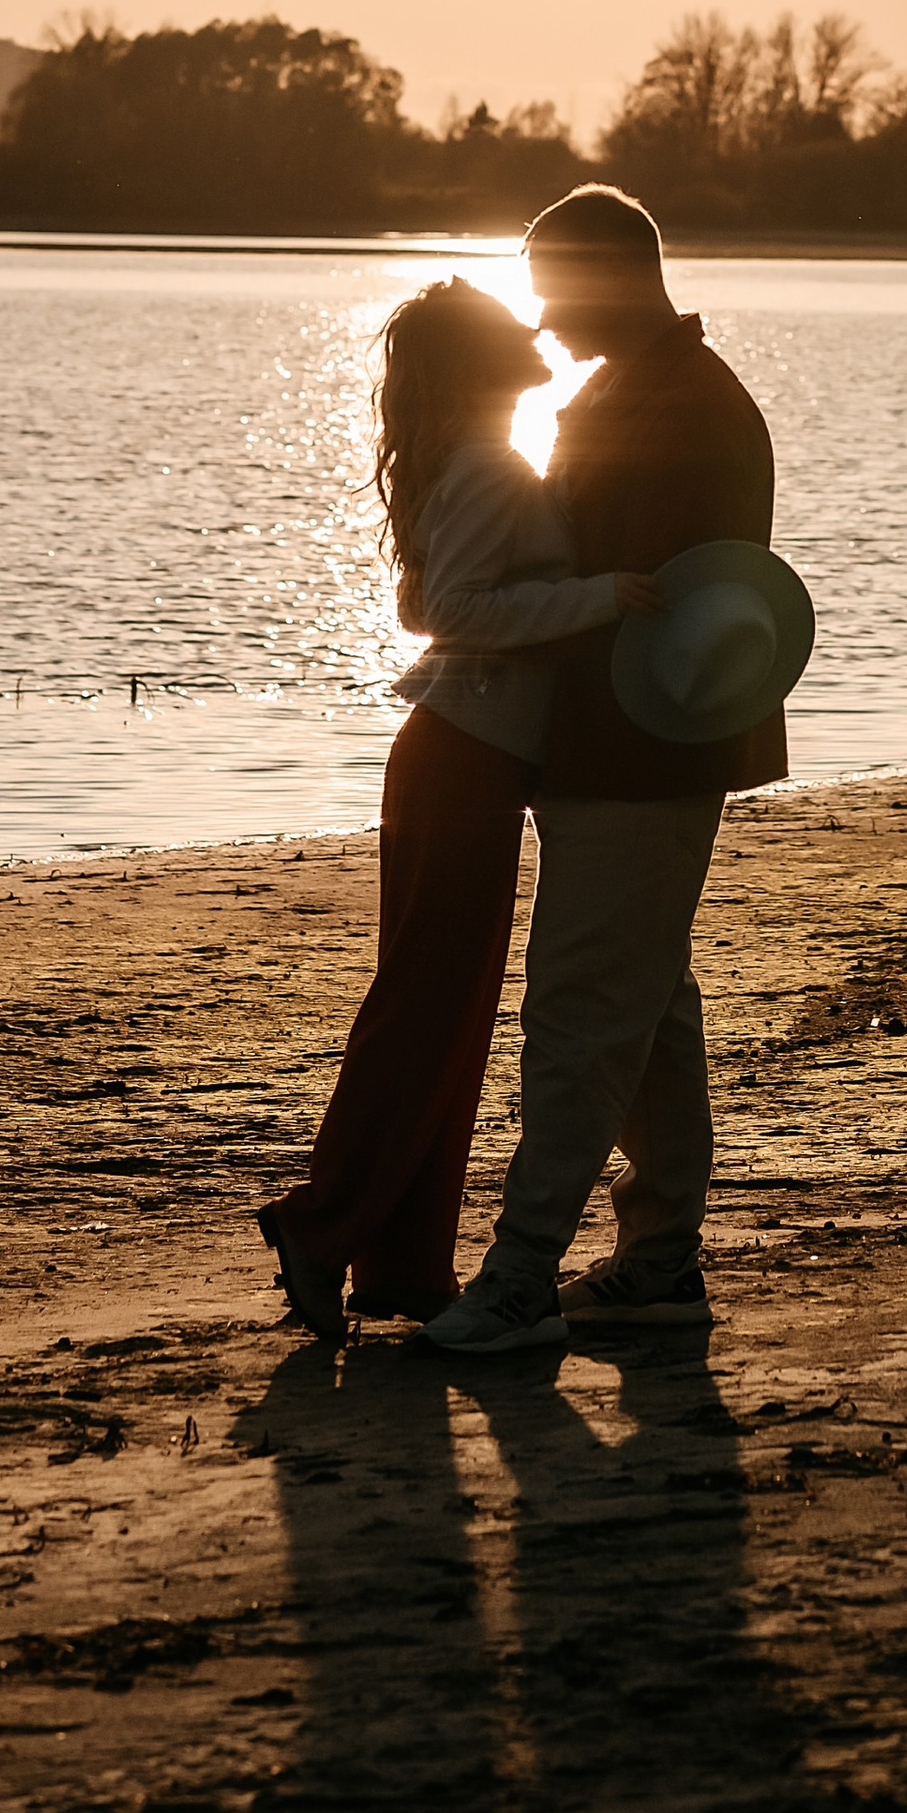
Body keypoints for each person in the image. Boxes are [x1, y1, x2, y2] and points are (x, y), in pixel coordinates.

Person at [255, 275, 659, 1338]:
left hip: (461, 755)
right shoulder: (488, 466)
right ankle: (319, 1226)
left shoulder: (475, 461)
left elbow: (417, 601)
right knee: (428, 1008)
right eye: (510, 328)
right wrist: (601, 597)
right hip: (461, 755)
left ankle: (399, 1266)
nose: (537, 334)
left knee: (445, 1006)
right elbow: (453, 611)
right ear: (481, 359)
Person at [425, 187, 784, 1354]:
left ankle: (523, 1275)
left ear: (612, 277)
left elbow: (678, 606)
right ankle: (659, 1262)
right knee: (646, 1014)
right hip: (619, 754)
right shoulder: (642, 392)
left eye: (552, 287)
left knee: (582, 1019)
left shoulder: (685, 407)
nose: (539, 316)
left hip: (644, 756)